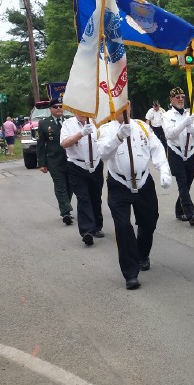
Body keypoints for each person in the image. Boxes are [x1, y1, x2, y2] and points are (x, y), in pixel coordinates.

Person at [98, 103, 172, 290]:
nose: (124, 111)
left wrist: (163, 169)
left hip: (143, 181)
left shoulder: (142, 127)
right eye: (119, 108)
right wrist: (118, 137)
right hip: (119, 184)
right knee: (123, 227)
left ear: (130, 108)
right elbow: (103, 153)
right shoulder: (106, 129)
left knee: (149, 221)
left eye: (127, 107)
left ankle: (142, 254)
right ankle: (130, 273)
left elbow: (156, 148)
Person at [60, 113, 104, 246]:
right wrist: (81, 133)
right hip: (76, 165)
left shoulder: (97, 122)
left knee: (96, 196)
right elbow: (64, 143)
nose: (83, 114)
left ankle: (96, 225)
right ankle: (87, 231)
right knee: (83, 197)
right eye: (80, 110)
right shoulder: (68, 123)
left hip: (95, 164)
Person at [161, 87, 194, 226]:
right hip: (176, 152)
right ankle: (191, 214)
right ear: (171, 99)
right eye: (177, 97)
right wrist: (183, 124)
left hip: (190, 153)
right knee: (182, 183)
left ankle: (179, 209)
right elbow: (169, 135)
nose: (180, 99)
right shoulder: (167, 116)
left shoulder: (189, 114)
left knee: (188, 183)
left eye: (183, 97)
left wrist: (193, 130)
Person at [37, 97, 74, 225]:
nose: (59, 108)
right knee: (60, 186)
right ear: (50, 109)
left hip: (70, 159)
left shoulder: (70, 121)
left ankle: (66, 206)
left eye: (60, 106)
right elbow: (41, 144)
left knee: (70, 186)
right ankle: (66, 212)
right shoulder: (44, 123)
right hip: (54, 160)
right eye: (55, 107)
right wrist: (42, 163)